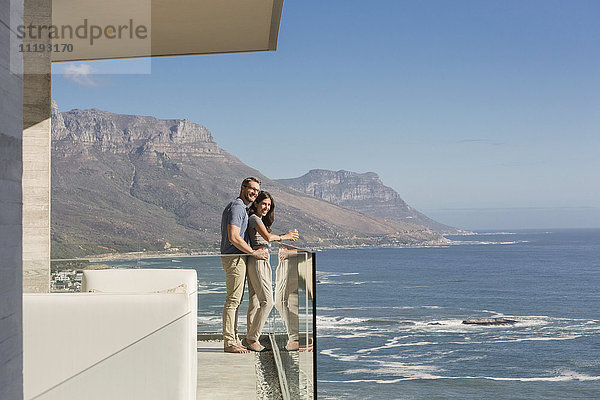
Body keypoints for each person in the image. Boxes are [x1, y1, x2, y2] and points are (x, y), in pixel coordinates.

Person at [243, 191, 299, 352]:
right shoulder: (254, 218)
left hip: (263, 261)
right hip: (258, 261)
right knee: (267, 302)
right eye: (264, 204)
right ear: (256, 204)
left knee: (255, 301)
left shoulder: (259, 219)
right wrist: (286, 236)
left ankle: (252, 337)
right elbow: (267, 238)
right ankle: (252, 338)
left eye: (269, 205)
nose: (266, 207)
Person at [220, 177, 268, 354]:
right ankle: (229, 342)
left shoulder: (241, 208)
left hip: (237, 257)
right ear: (242, 188)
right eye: (252, 189)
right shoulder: (237, 207)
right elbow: (234, 237)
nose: (254, 193)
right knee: (233, 300)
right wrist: (253, 252)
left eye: (257, 190)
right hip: (234, 257)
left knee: (236, 300)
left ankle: (234, 339)